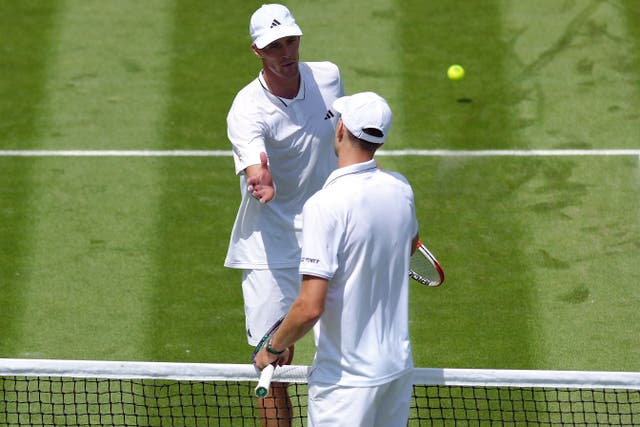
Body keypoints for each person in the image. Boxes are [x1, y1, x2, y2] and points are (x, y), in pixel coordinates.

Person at [254, 91, 419, 427]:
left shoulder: (325, 205)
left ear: (341, 128)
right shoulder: (401, 190)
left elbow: (310, 307)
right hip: (395, 373)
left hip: (346, 385)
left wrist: (273, 347)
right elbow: (410, 243)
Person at [224, 3, 344, 425]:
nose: (285, 52)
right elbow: (255, 164)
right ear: (258, 51)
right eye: (274, 46)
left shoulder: (327, 76)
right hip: (270, 249)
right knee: (270, 366)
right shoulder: (246, 109)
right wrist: (262, 179)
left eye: (290, 41)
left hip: (331, 236)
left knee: (345, 356)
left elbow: (347, 140)